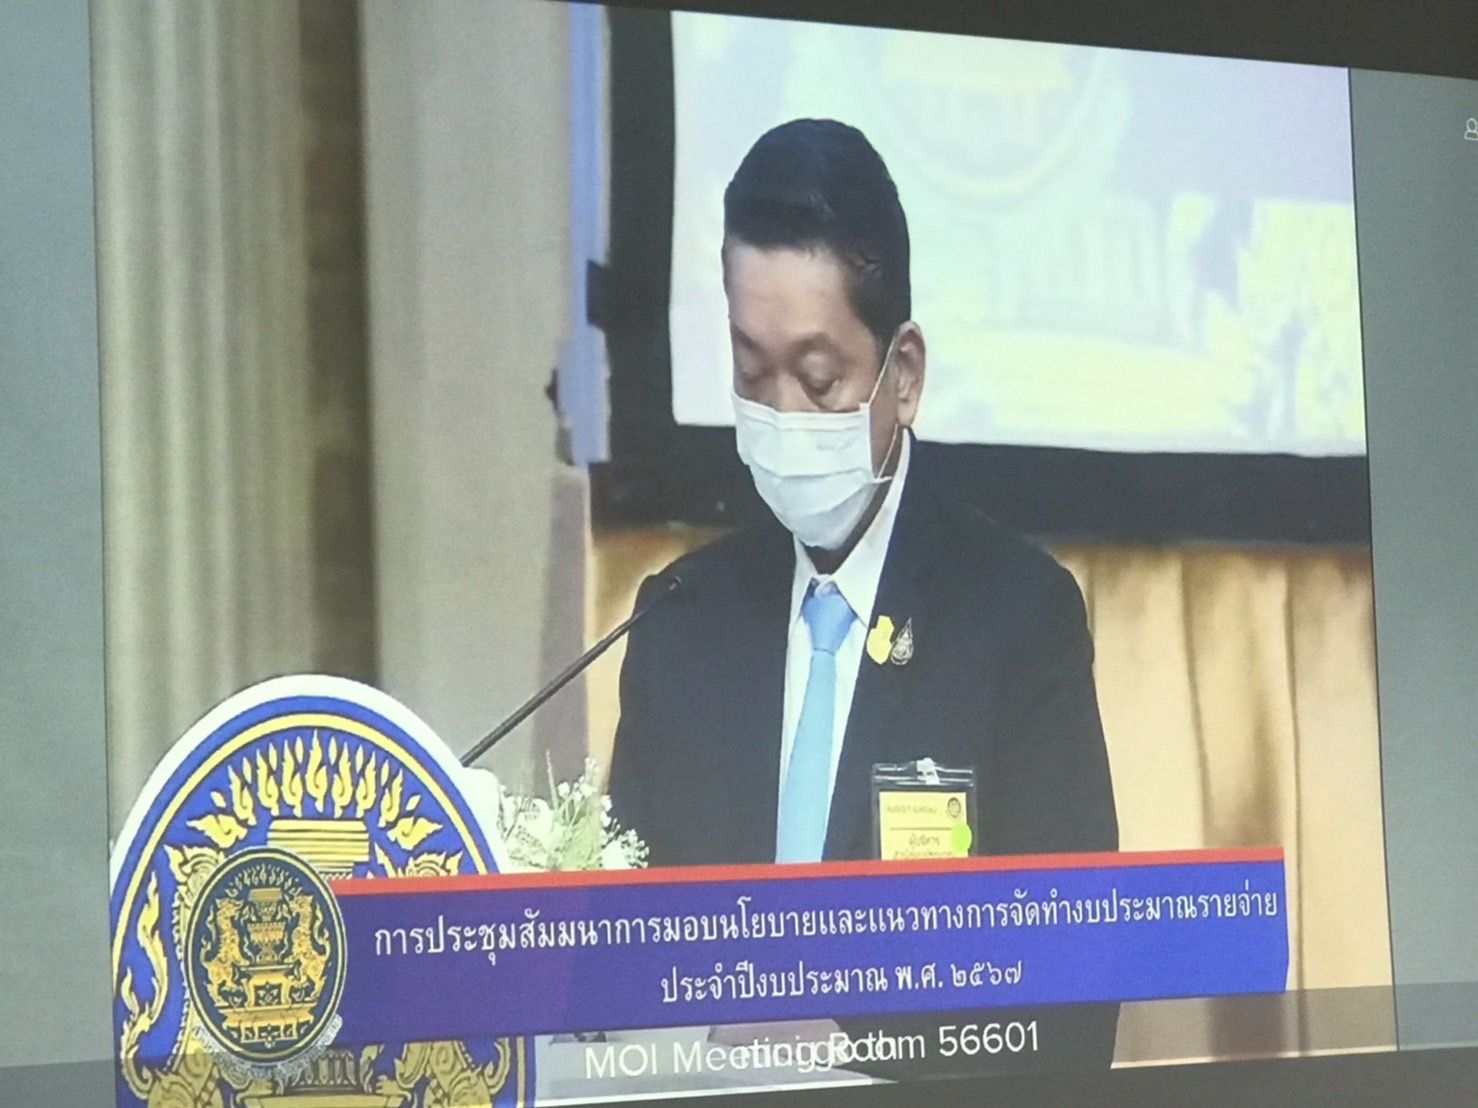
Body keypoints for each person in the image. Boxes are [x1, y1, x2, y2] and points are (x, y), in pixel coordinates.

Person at [607, 118, 1121, 1077]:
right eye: (752, 372)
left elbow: (1072, 994)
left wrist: (856, 1047)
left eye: (818, 378)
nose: (782, 415)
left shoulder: (1015, 620)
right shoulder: (680, 621)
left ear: (905, 374)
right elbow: (616, 971)